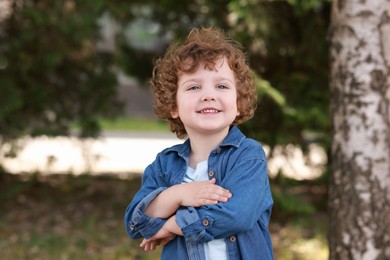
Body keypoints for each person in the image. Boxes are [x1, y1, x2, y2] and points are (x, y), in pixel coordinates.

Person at [124, 27, 274, 260]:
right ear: (173, 106)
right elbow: (137, 222)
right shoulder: (165, 164)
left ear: (238, 104)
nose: (208, 95)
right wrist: (177, 195)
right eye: (194, 87)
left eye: (222, 86)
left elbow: (236, 216)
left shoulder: (248, 155)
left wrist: (171, 225)